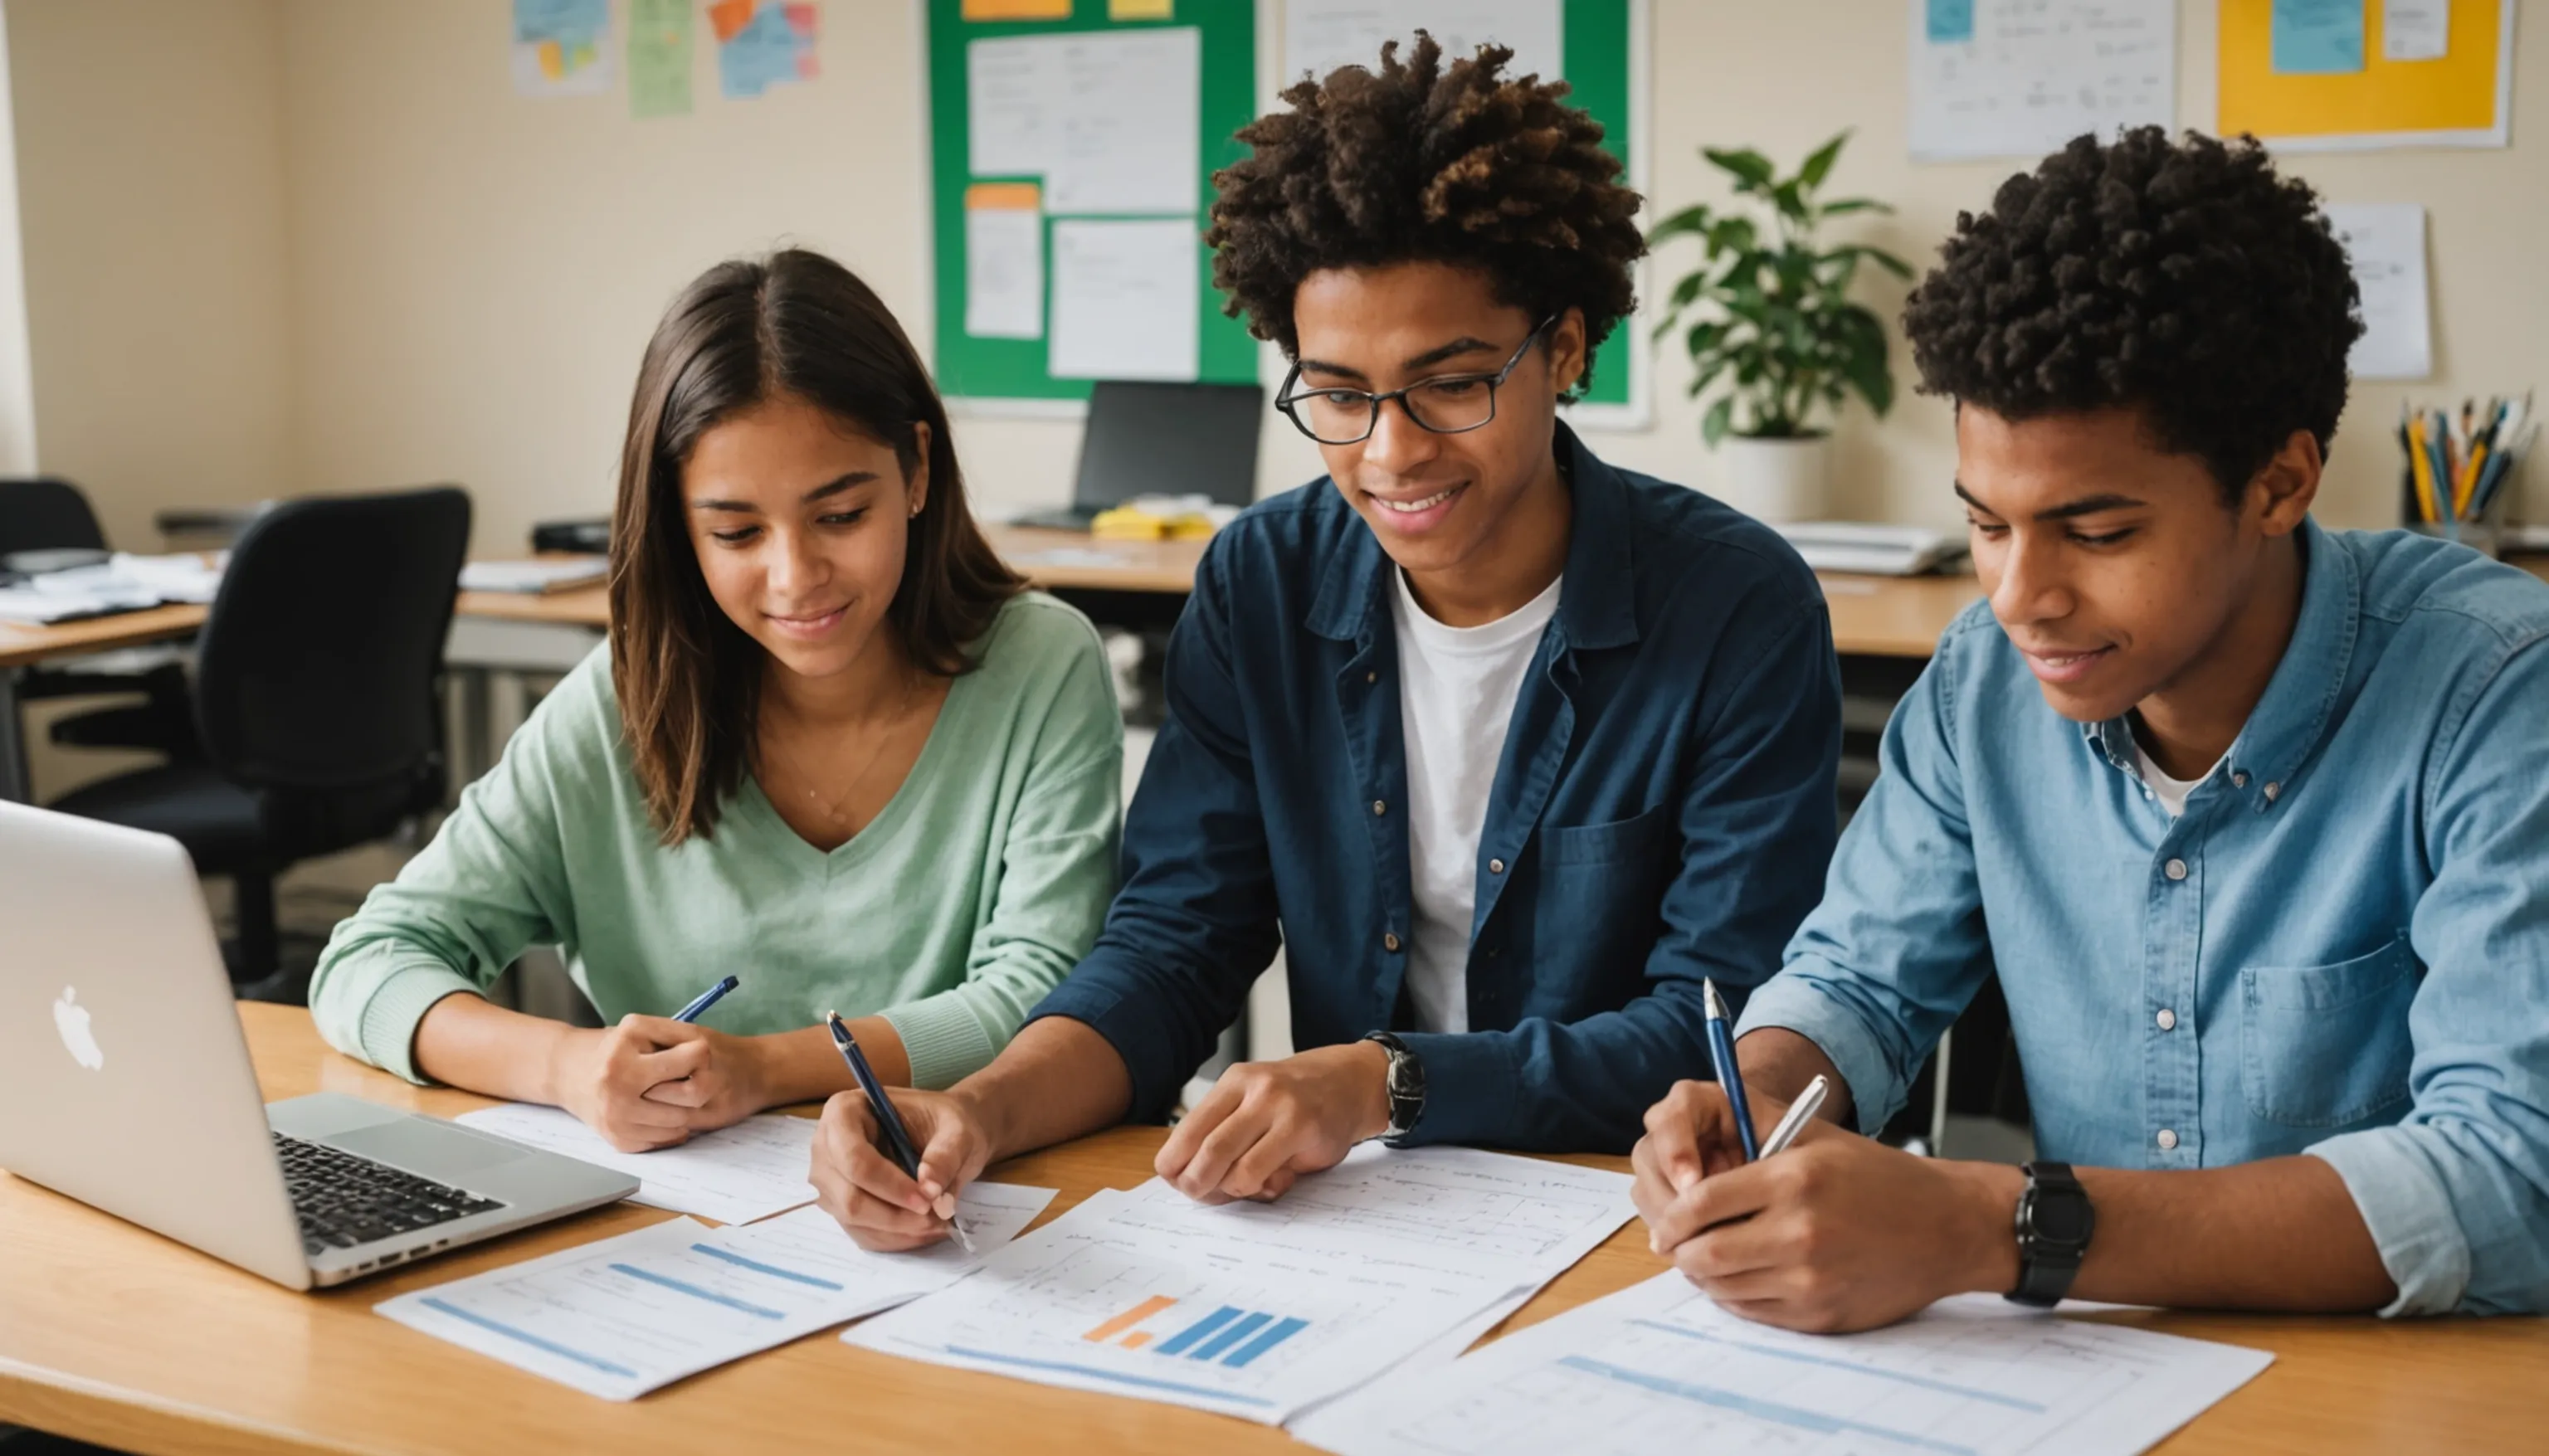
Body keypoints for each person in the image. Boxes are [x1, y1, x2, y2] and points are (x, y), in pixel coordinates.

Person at [815, 36, 1840, 1249]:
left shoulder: (1733, 605)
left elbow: (1718, 1022)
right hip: (1360, 1228)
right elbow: (1176, 940)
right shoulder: (1262, 580)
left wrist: (1382, 1080)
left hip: (1638, 1217)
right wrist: (981, 1106)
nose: (1392, 453)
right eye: (1339, 394)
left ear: (1563, 348)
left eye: (1452, 384)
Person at [1630, 129, 2549, 1332]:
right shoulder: (1981, 683)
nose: (2019, 595)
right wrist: (1756, 1090)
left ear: (2280, 483)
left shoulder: (2494, 689)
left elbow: (2509, 1179)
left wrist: (1987, 1223)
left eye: (2097, 532)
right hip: (2086, 1373)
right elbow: (1858, 976)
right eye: (1988, 525)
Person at [308, 249, 1123, 1152]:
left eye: (842, 516)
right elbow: (367, 963)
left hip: (979, 1193)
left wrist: (765, 1069)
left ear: (917, 469)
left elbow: (1042, 994)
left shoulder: (1041, 664)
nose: (795, 576)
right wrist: (567, 1068)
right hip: (687, 1226)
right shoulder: (628, 698)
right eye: (735, 531)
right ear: (678, 525)